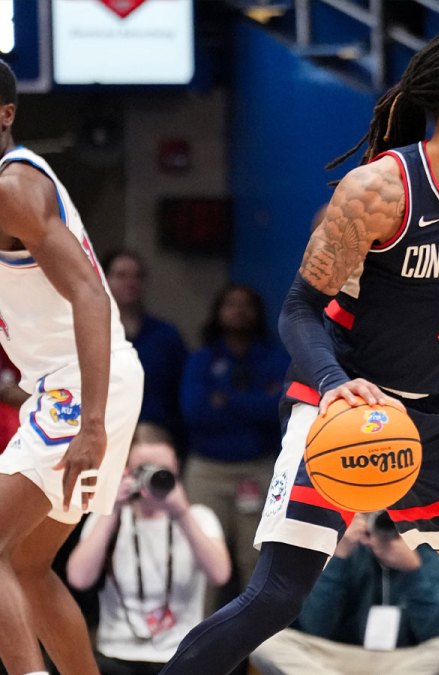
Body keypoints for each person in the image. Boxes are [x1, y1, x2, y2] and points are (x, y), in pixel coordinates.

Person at [160, 30, 439, 675]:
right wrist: (335, 382)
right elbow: (299, 310)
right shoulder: (379, 192)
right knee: (277, 595)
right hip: (346, 406)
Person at [0, 57, 145, 675]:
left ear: (5, 115)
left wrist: (90, 422)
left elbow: (90, 292)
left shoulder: (12, 188)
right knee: (29, 566)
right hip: (71, 381)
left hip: (85, 383)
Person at [66, 424, 230, 675]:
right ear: (126, 470)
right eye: (143, 469)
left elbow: (220, 575)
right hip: (115, 657)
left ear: (176, 466)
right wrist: (114, 511)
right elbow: (78, 578)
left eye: (161, 470)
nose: (152, 477)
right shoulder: (107, 519)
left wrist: (182, 514)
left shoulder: (199, 517)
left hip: (180, 656)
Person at [249, 513, 439, 675]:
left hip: (403, 662)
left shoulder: (428, 550)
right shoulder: (341, 548)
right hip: (335, 658)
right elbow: (315, 626)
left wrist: (413, 570)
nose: (386, 528)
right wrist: (338, 557)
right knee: (267, 643)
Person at [179, 283, 289, 599]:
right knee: (200, 561)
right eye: (231, 304)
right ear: (218, 311)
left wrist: (225, 399)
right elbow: (195, 413)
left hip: (257, 469)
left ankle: (255, 648)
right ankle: (195, 645)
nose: (238, 311)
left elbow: (279, 411)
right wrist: (254, 402)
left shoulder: (275, 358)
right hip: (207, 471)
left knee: (255, 560)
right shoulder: (201, 359)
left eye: (246, 305)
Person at [102, 250, 189, 450]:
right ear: (105, 279)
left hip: (156, 437)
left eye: (137, 275)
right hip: (105, 435)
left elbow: (180, 393)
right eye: (121, 275)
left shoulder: (166, 335)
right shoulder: (91, 332)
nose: (130, 282)